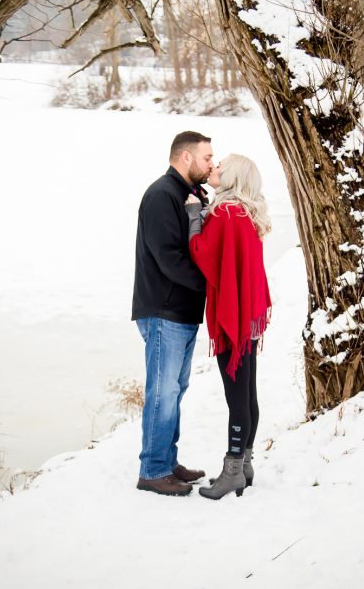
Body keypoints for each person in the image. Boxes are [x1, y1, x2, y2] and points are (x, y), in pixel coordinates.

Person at [132, 131, 215, 496]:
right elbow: (170, 258)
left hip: (182, 311)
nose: (212, 163)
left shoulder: (188, 194)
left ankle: (167, 461)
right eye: (207, 157)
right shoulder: (161, 196)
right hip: (163, 310)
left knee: (175, 390)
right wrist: (212, 284)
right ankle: (152, 470)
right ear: (185, 158)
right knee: (162, 392)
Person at [184, 154, 271, 500]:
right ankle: (245, 464)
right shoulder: (247, 212)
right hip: (249, 312)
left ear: (232, 176)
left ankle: (233, 470)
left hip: (233, 315)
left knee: (236, 395)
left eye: (220, 165)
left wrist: (193, 216)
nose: (214, 168)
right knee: (247, 391)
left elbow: (202, 254)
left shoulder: (225, 213)